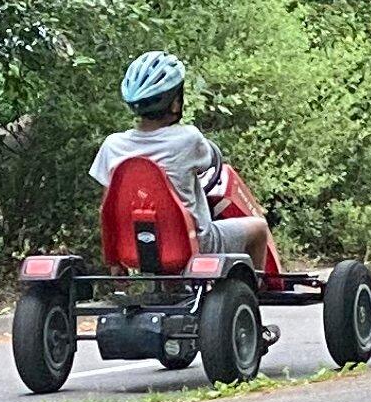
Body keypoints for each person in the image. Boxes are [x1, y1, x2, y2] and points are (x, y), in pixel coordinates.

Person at [89, 51, 283, 274]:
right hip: (194, 243)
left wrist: (114, 261)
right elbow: (211, 160)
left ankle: (169, 289)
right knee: (258, 228)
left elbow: (107, 206)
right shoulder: (188, 139)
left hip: (131, 249)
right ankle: (248, 297)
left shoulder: (112, 145)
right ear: (174, 103)